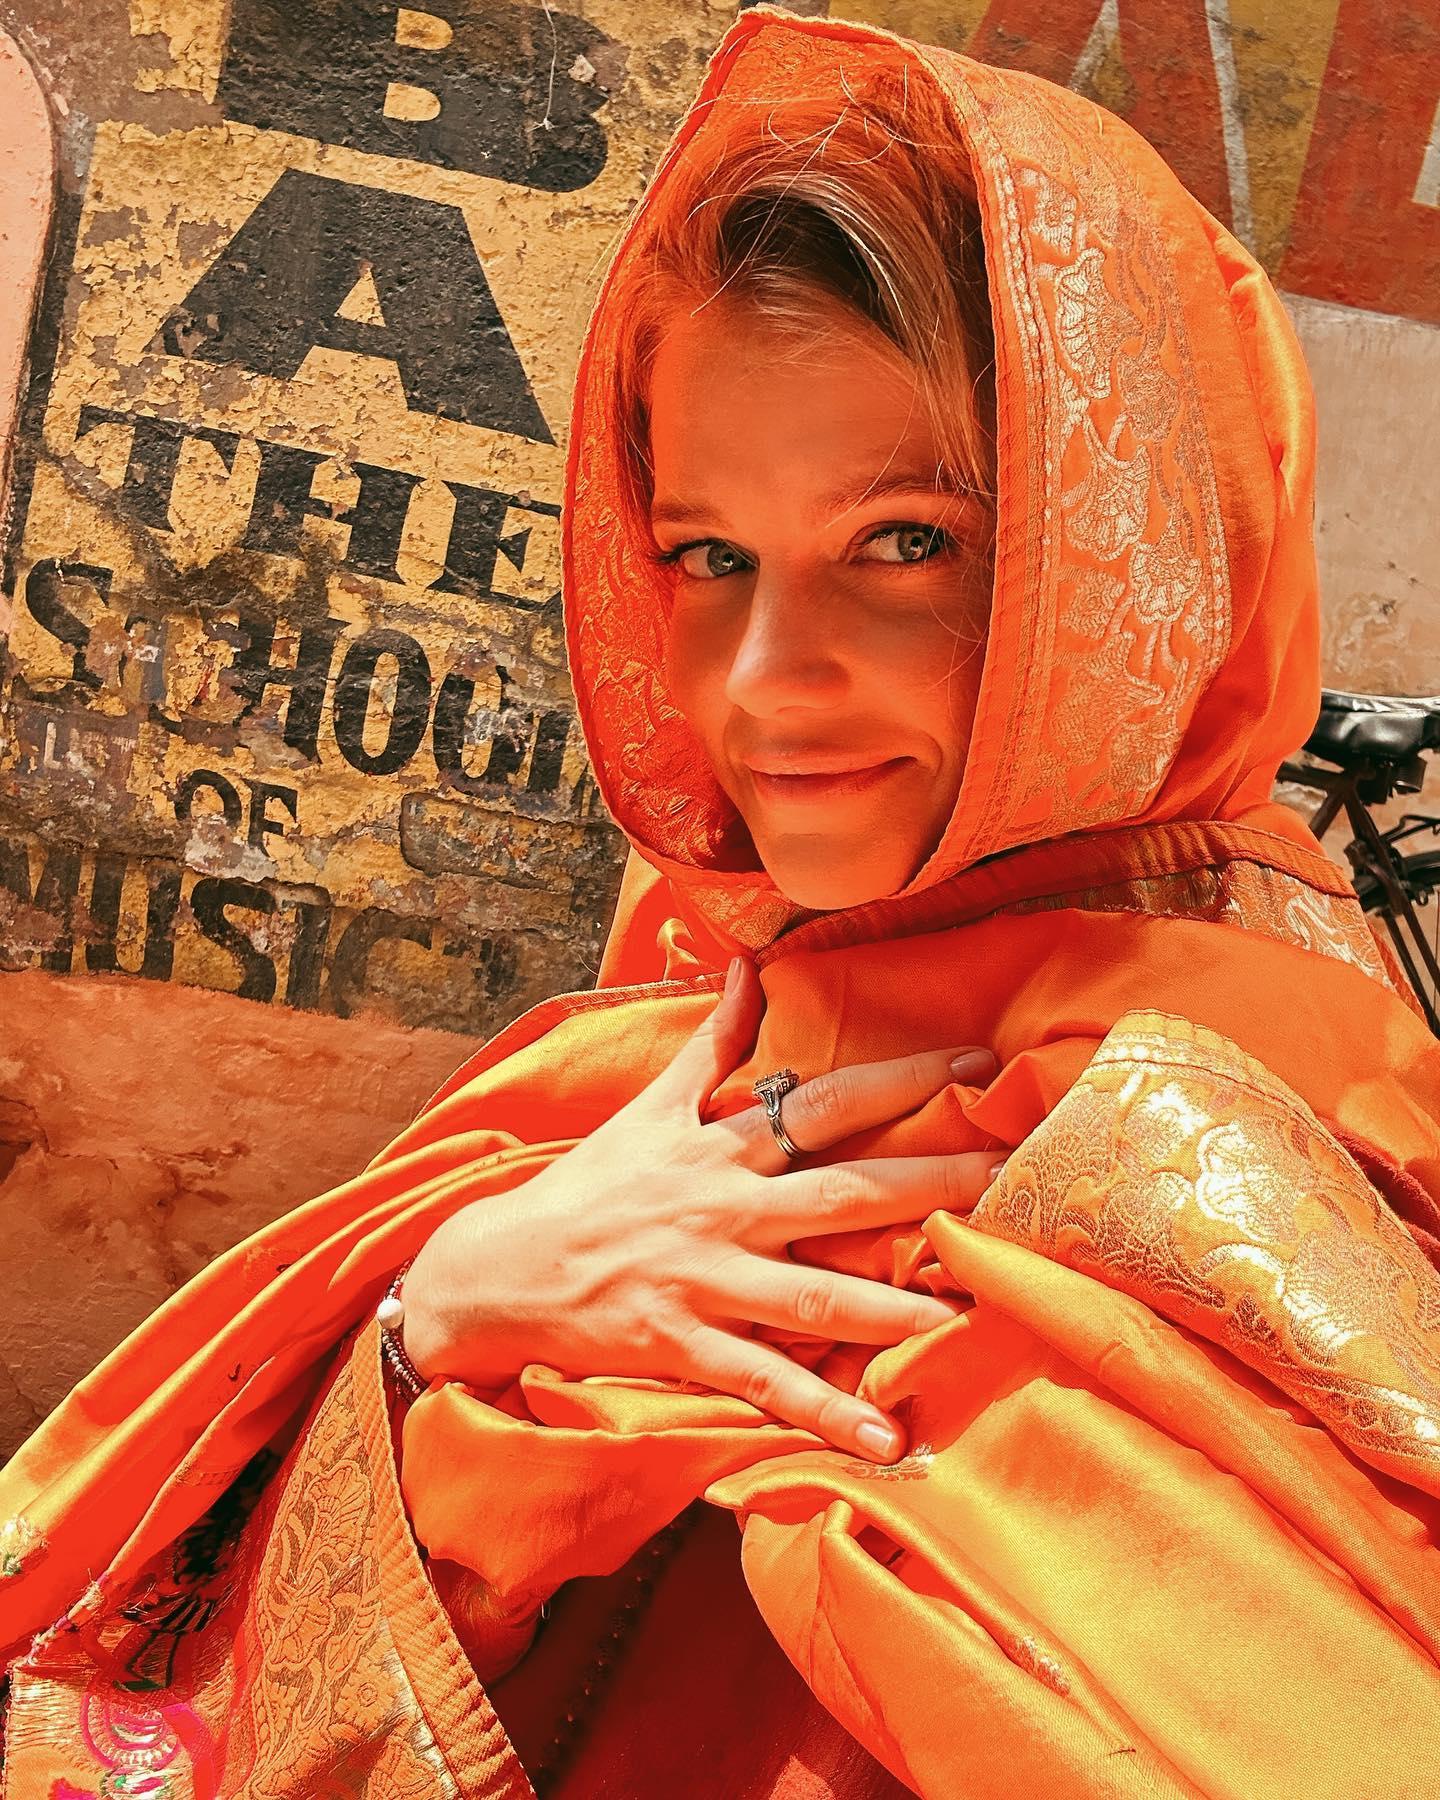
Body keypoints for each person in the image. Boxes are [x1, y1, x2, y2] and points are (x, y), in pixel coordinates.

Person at [3, 7, 1440, 1796]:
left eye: (905, 541)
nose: (761, 680)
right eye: (706, 555)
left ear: (1137, 561)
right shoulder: (722, 1001)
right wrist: (441, 1311)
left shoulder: (1187, 1125)